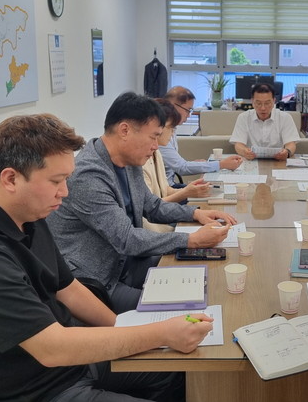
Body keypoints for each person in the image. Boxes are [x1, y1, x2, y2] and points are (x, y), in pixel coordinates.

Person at [0, 114, 212, 401]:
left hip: (72, 365)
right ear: (11, 179)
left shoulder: (29, 217)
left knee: (177, 370)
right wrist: (161, 334)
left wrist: (126, 329)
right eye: (56, 181)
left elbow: (69, 289)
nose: (64, 192)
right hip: (38, 388)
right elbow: (52, 348)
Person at [48, 93, 236, 313]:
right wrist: (191, 240)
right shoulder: (88, 175)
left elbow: (151, 205)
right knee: (186, 309)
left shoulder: (128, 160)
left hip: (128, 262)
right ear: (125, 130)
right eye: (153, 137)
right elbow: (127, 239)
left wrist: (194, 214)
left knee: (204, 280)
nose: (156, 146)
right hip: (98, 281)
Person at [142, 99, 212, 232]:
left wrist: (189, 190)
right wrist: (186, 192)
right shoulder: (141, 161)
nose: (173, 133)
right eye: (171, 128)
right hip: (156, 226)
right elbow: (153, 208)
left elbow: (165, 190)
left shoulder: (156, 152)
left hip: (163, 217)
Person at [160, 86, 243, 186]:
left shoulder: (171, 128)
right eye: (187, 110)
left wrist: (196, 164)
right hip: (166, 189)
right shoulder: (160, 133)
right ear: (173, 106)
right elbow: (181, 167)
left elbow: (177, 164)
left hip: (170, 185)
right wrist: (222, 164)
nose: (189, 115)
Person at [229, 83, 300, 161]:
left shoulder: (285, 118)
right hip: (251, 161)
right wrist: (244, 151)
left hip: (278, 161)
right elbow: (238, 144)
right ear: (252, 101)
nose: (263, 108)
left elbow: (291, 144)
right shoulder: (243, 117)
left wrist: (287, 152)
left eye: (267, 103)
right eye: (258, 103)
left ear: (274, 101)